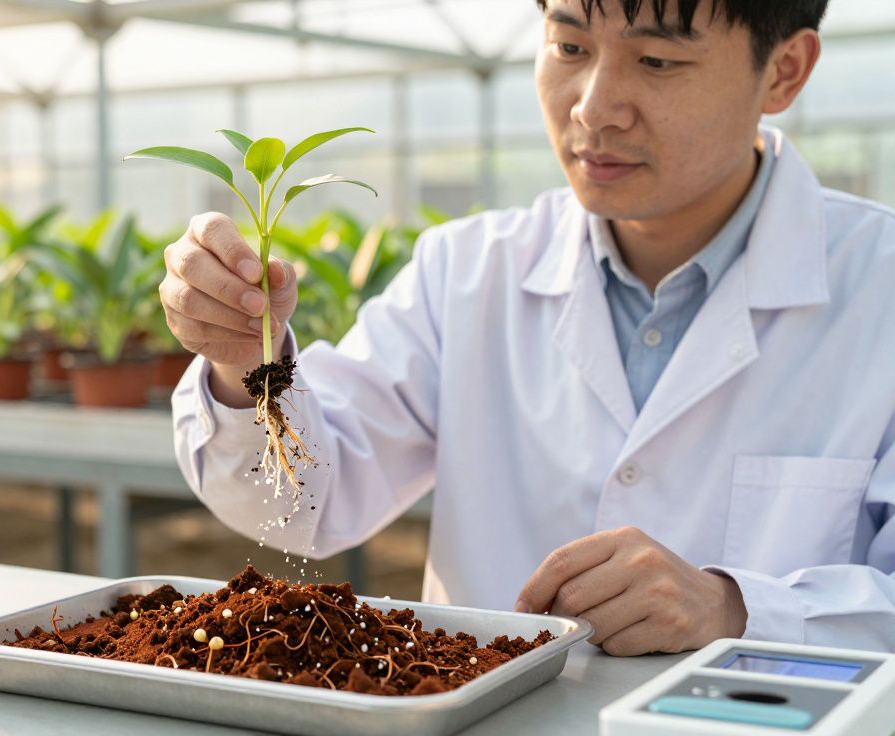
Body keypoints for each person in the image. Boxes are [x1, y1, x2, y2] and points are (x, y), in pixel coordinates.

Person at [162, 0, 895, 655]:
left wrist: (737, 610)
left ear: (785, 72)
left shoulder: (879, 289)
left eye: (658, 60)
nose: (596, 107)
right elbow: (304, 506)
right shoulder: (466, 270)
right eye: (570, 47)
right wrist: (241, 363)